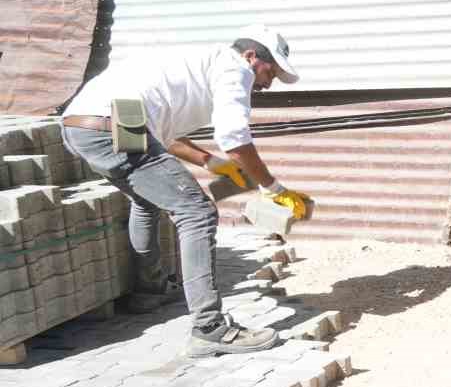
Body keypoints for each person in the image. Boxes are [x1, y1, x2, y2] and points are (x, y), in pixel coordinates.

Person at [61, 25, 312, 358]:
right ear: (251, 56)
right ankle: (210, 329)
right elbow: (235, 137)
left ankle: (149, 293)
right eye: (271, 72)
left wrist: (212, 164)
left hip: (83, 124)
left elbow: (164, 136)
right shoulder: (233, 68)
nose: (268, 83)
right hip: (111, 124)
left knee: (146, 200)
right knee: (197, 212)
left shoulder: (193, 64)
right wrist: (273, 188)